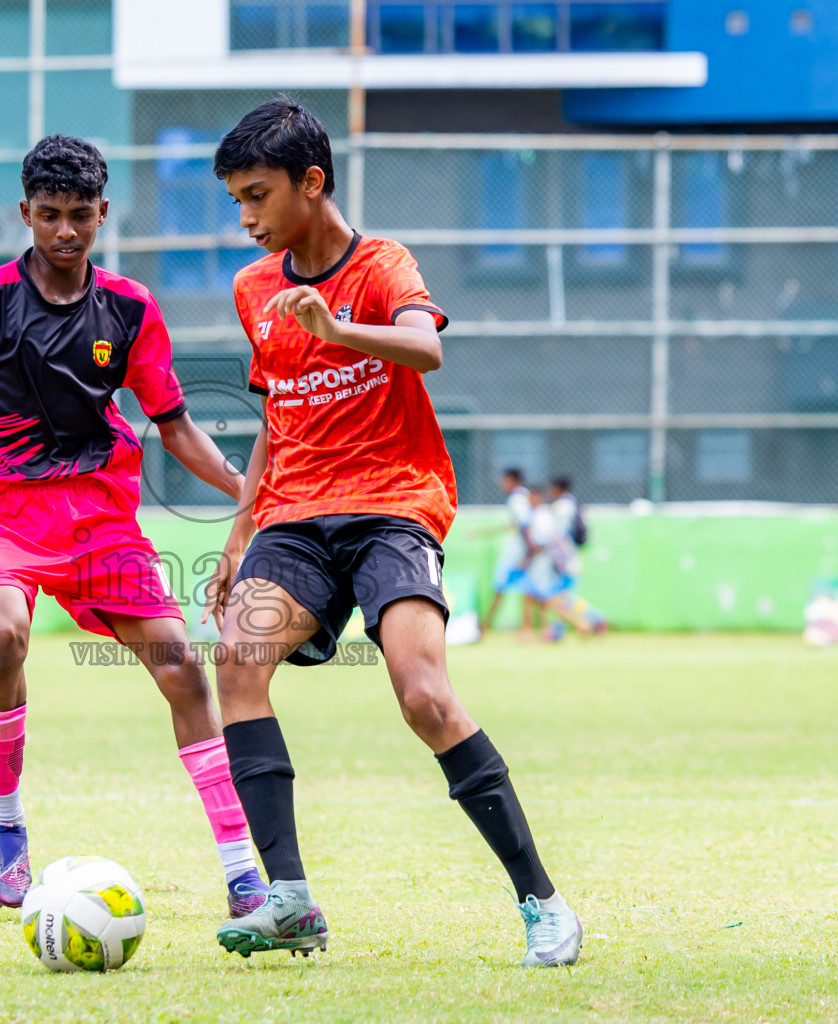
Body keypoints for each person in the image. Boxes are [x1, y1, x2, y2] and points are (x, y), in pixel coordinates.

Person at [204, 99, 582, 966]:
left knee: (422, 693)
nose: (247, 218)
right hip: (295, 516)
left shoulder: (381, 266)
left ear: (312, 183)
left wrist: (337, 327)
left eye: (258, 195)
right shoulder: (252, 287)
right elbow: (273, 418)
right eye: (236, 201)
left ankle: (543, 903)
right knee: (235, 660)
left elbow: (426, 348)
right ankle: (290, 900)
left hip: (390, 505)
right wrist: (236, 539)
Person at [0, 135, 267, 916]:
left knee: (183, 669)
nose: (64, 231)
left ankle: (239, 868)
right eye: (49, 215)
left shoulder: (129, 309)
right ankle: (5, 827)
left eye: (79, 216)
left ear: (103, 215)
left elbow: (174, 423)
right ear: (25, 213)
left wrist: (244, 488)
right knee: (3, 636)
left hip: (97, 516)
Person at [524, 487, 606, 641]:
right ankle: (558, 631)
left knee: (556, 599)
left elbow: (546, 541)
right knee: (561, 599)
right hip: (564, 562)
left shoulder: (550, 512)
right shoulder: (559, 510)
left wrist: (529, 557)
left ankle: (589, 620)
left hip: (556, 565)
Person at [482, 467, 538, 640]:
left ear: (512, 479)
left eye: (504, 479)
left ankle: (484, 628)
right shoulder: (525, 496)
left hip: (516, 553)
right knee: (527, 590)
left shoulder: (516, 499)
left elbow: (525, 524)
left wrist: (528, 551)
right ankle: (525, 629)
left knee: (501, 588)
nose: (501, 483)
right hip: (522, 551)